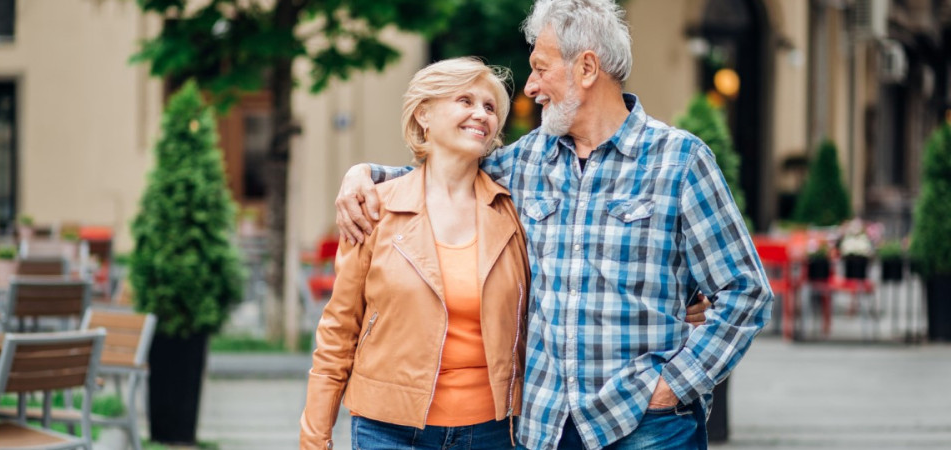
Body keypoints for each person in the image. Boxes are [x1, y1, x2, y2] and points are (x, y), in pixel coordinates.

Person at [334, 0, 772, 448]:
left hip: (648, 425)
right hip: (544, 427)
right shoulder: (526, 160)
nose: (529, 87)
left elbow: (745, 292)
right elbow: (443, 177)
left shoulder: (680, 160)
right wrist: (365, 175)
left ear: (586, 68)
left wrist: (675, 386)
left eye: (540, 69)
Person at [300, 57, 531, 450]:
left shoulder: (515, 210)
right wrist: (315, 437)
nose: (481, 114)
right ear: (424, 113)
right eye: (465, 100)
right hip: (388, 429)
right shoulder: (373, 208)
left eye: (490, 107)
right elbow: (339, 331)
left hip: (494, 431)